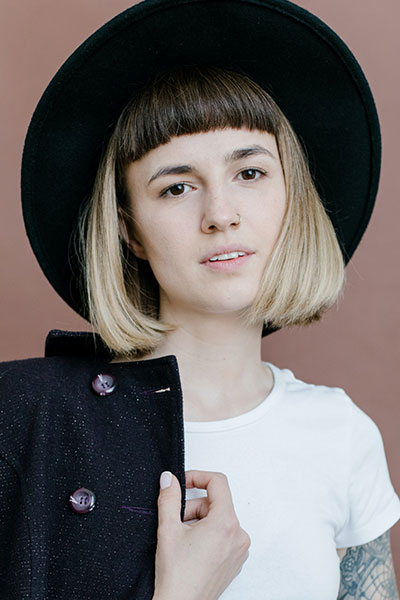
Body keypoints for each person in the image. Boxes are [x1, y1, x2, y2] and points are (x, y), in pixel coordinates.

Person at [1, 1, 399, 599]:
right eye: (177, 187)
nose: (220, 214)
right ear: (130, 231)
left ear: (293, 197)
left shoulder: (340, 434)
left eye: (250, 173)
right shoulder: (22, 417)